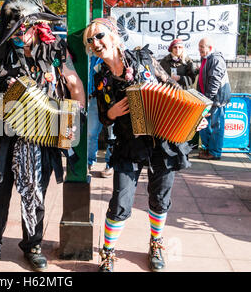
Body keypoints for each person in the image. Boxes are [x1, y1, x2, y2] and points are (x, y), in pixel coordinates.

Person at [0, 0, 85, 272]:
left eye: (26, 27)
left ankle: (32, 246)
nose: (21, 33)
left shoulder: (55, 49)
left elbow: (73, 83)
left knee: (36, 195)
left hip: (41, 134)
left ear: (37, 24)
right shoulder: (1, 47)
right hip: (3, 131)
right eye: (15, 28)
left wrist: (73, 118)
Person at [83, 18, 207, 272]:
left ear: (114, 35)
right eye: (90, 40)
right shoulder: (101, 79)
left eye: (99, 36)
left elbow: (171, 88)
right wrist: (113, 113)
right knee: (120, 200)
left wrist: (195, 119)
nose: (95, 42)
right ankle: (108, 252)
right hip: (128, 144)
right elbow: (104, 114)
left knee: (160, 198)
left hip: (162, 141)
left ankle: (156, 243)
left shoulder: (143, 59)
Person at [197, 37, 231, 160]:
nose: (199, 49)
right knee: (204, 125)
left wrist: (208, 100)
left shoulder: (216, 60)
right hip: (207, 99)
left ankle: (215, 153)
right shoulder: (205, 58)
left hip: (216, 100)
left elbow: (214, 82)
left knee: (217, 126)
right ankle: (208, 149)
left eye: (202, 47)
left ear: (210, 48)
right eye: (199, 46)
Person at [88, 55, 114, 178]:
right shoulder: (92, 56)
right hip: (95, 98)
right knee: (91, 132)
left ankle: (110, 164)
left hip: (112, 100)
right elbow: (89, 75)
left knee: (113, 135)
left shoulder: (116, 55)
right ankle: (89, 162)